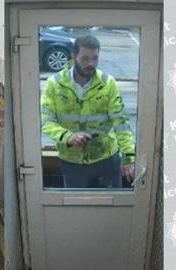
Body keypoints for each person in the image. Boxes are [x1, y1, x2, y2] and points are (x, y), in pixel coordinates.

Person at [41, 35, 135, 188]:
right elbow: (46, 121)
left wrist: (128, 158)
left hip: (106, 159)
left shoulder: (107, 83)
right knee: (76, 209)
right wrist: (68, 137)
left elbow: (121, 122)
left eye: (95, 58)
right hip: (72, 162)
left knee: (111, 208)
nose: (90, 64)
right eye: (85, 58)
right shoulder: (55, 84)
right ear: (73, 56)